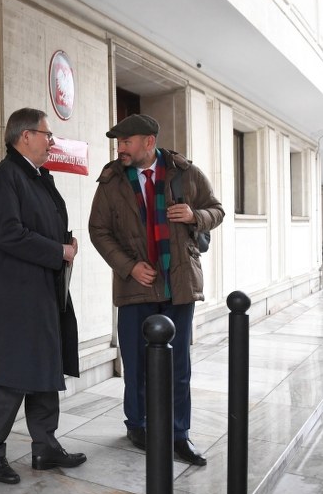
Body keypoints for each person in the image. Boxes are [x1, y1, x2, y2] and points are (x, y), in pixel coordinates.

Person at [88, 113, 224, 466]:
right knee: (135, 365)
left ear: (149, 142)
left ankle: (180, 434)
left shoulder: (186, 173)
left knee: (179, 366)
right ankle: (138, 426)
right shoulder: (112, 180)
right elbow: (98, 230)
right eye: (118, 143)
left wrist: (195, 216)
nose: (121, 149)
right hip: (135, 287)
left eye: (127, 142)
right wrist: (129, 266)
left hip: (178, 284)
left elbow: (217, 209)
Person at [0, 107, 86, 485]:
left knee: (44, 369)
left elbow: (40, 224)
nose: (51, 140)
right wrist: (58, 252)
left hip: (42, 291)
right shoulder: (4, 178)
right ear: (25, 136)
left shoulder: (36, 176)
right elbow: (8, 233)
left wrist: (63, 243)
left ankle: (45, 447)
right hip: (16, 297)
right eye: (46, 134)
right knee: (14, 377)